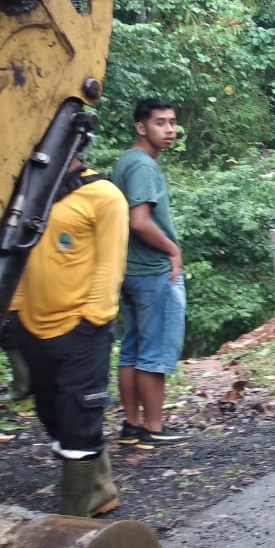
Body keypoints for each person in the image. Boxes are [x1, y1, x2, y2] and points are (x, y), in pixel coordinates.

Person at [8, 152, 128, 516]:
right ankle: (100, 489)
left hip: (81, 332)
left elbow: (110, 268)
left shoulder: (103, 196)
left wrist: (91, 321)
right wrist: (13, 322)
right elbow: (17, 260)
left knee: (79, 424)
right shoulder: (25, 196)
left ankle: (72, 519)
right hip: (32, 327)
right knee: (53, 416)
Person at [111, 98, 191, 445]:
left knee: (131, 350)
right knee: (153, 353)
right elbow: (139, 222)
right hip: (152, 271)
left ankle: (132, 426)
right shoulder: (143, 166)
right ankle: (154, 428)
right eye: (160, 122)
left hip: (127, 270)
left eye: (172, 122)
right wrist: (173, 250)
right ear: (141, 127)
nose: (169, 129)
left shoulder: (126, 162)